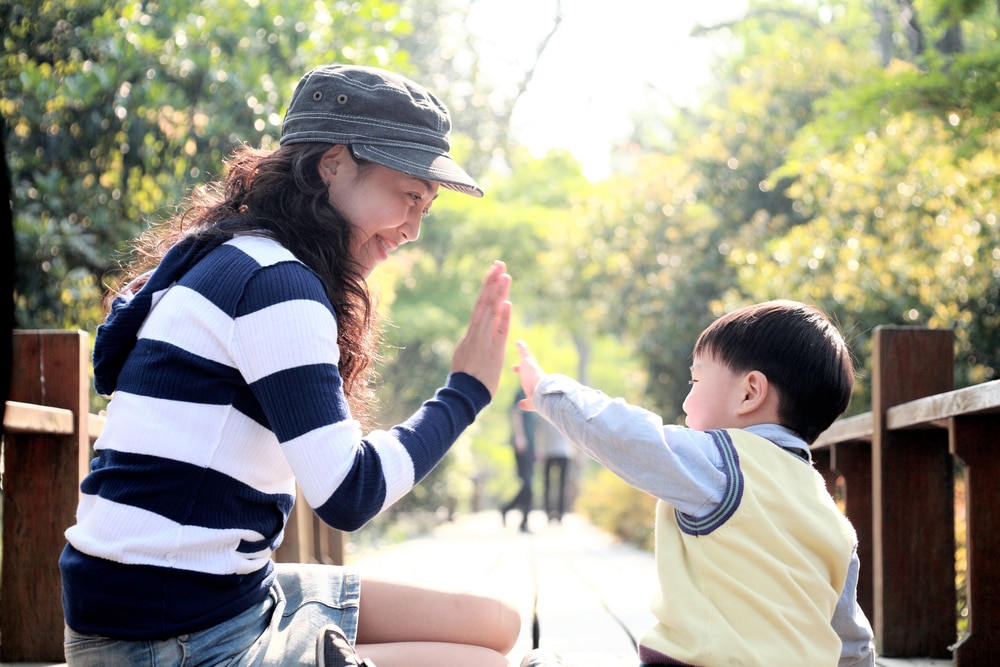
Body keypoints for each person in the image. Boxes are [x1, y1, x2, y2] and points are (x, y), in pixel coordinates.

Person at [59, 64, 520, 667]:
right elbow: (348, 494)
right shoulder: (275, 283)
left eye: (424, 210)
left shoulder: (234, 253)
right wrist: (465, 393)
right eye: (409, 196)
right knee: (485, 664)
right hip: (168, 638)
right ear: (333, 164)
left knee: (498, 623)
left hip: (214, 598)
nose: (411, 229)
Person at [514, 300, 876, 667]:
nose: (687, 400)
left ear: (750, 392)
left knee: (546, 660)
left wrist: (547, 390)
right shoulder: (833, 521)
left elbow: (626, 436)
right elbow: (853, 644)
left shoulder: (723, 463)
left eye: (696, 380)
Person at [500, 387, 537, 532]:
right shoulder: (521, 392)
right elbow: (516, 414)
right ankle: (508, 510)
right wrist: (519, 437)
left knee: (530, 484)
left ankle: (522, 520)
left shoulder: (535, 395)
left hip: (532, 446)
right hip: (522, 444)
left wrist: (539, 446)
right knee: (527, 483)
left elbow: (537, 424)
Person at [537, 417, 572, 523]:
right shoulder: (543, 412)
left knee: (559, 485)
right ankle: (550, 514)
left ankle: (559, 514)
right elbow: (539, 433)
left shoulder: (545, 412)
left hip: (562, 452)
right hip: (550, 452)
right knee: (550, 485)